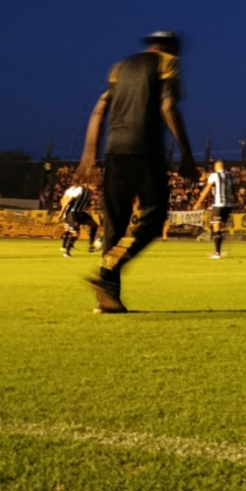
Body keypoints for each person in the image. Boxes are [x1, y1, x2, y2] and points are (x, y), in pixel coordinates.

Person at [76, 30, 196, 314]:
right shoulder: (168, 62)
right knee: (153, 221)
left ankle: (107, 300)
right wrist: (187, 154)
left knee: (114, 225)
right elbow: (168, 107)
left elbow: (98, 110)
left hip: (114, 152)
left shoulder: (120, 67)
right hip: (145, 150)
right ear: (173, 48)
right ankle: (106, 272)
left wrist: (88, 154)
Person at [196, 160, 236, 260]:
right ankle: (218, 251)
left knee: (216, 227)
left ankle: (217, 253)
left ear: (216, 167)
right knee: (220, 227)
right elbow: (234, 192)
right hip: (228, 205)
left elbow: (207, 190)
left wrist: (198, 202)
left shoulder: (214, 175)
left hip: (219, 204)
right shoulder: (231, 176)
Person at [58, 182, 100, 257]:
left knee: (94, 225)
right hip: (73, 213)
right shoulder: (79, 190)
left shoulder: (89, 192)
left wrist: (90, 206)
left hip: (81, 213)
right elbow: (67, 201)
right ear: (88, 184)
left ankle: (91, 245)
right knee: (75, 234)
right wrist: (61, 213)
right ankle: (67, 251)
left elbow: (83, 202)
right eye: (93, 185)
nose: (95, 188)